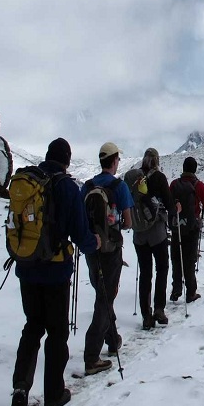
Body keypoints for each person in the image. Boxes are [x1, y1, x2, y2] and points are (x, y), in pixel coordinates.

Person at [11, 138, 100, 406]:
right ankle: (54, 393)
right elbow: (80, 231)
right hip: (55, 272)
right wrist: (93, 243)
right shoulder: (67, 187)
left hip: (26, 268)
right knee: (57, 333)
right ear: (67, 160)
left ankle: (20, 388)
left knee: (32, 328)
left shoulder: (28, 183)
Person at [80, 142, 133, 376]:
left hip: (92, 249)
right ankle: (92, 356)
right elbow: (129, 222)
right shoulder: (119, 187)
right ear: (113, 161)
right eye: (118, 159)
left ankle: (112, 339)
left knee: (102, 293)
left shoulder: (88, 186)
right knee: (106, 296)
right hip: (111, 250)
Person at [134, 147, 178, 329]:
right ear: (157, 160)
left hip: (139, 233)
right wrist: (175, 210)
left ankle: (146, 315)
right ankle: (159, 308)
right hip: (157, 231)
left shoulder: (134, 177)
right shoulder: (159, 178)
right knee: (162, 267)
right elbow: (168, 203)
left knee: (145, 273)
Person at [169, 156, 204, 303]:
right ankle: (191, 292)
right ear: (195, 169)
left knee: (176, 258)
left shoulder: (175, 184)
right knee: (190, 260)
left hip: (176, 227)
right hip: (192, 228)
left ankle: (176, 290)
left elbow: (168, 201)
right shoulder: (198, 185)